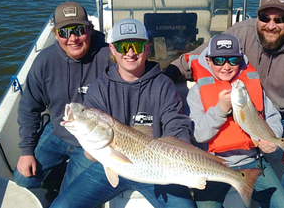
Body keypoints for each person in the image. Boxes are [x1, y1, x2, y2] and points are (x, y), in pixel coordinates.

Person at [164, 0, 284, 208]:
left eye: (279, 19)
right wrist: (164, 76)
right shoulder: (240, 34)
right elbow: (204, 53)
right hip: (237, 127)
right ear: (258, 16)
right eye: (265, 17)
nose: (271, 25)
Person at [49, 18, 196, 208]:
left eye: (137, 45)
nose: (131, 52)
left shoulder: (163, 85)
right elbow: (92, 152)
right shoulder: (99, 87)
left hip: (158, 166)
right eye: (123, 46)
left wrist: (183, 156)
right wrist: (91, 149)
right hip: (108, 165)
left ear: (148, 48)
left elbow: (176, 124)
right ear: (112, 49)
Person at [14, 1, 112, 195]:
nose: (73, 38)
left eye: (79, 30)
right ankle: (59, 178)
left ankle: (68, 184)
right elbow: (29, 108)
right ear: (56, 35)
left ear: (90, 29)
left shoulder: (109, 56)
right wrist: (26, 152)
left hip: (93, 142)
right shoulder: (44, 61)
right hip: (58, 130)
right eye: (64, 32)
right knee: (23, 179)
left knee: (71, 197)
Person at [186, 34, 284, 207]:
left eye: (233, 60)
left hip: (252, 159)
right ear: (209, 60)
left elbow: (272, 118)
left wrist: (273, 139)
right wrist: (220, 109)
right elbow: (198, 134)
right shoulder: (197, 92)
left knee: (283, 205)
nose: (226, 66)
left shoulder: (249, 85)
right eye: (219, 60)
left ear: (241, 59)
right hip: (213, 163)